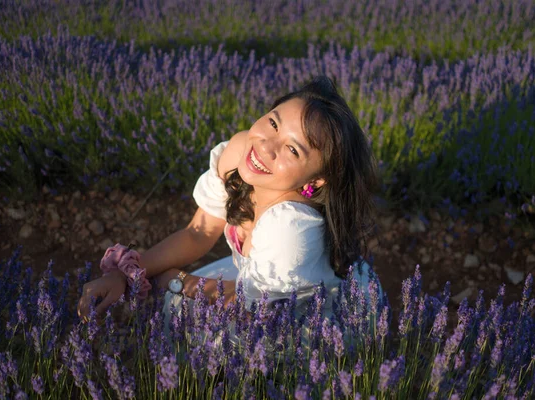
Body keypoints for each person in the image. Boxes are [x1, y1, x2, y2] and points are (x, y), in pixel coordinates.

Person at [77, 75, 385, 350]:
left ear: (315, 181)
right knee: (170, 303)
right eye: (273, 123)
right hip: (262, 284)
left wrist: (177, 281)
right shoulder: (240, 154)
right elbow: (198, 233)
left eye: (293, 150)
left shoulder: (291, 228)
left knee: (190, 319)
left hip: (310, 317)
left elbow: (256, 306)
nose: (266, 147)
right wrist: (126, 274)